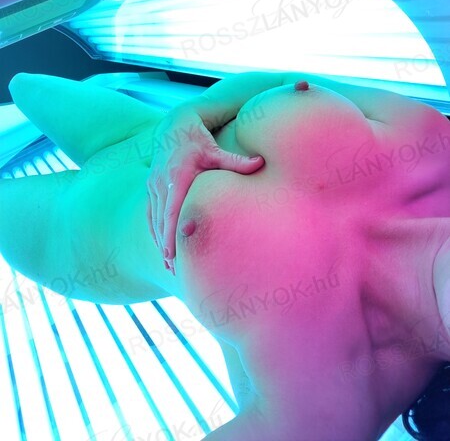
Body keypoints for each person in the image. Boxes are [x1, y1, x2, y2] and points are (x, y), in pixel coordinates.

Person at [1, 70, 449, 440]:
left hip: (78, 231)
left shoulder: (335, 411)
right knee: (19, 81)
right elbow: (287, 82)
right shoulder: (437, 142)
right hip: (139, 126)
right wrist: (188, 118)